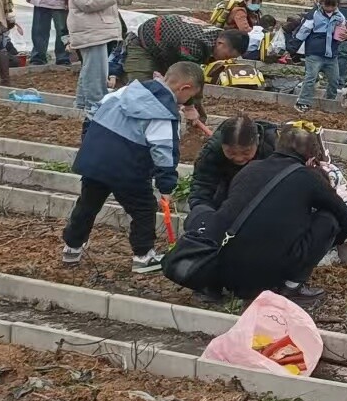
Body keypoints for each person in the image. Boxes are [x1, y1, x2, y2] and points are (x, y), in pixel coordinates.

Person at [180, 124, 347, 305]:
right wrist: (327, 243)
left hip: (225, 267)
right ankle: (292, 287)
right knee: (329, 219)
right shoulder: (309, 178)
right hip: (269, 274)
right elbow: (346, 220)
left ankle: (213, 286)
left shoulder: (249, 169)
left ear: (277, 146)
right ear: (311, 157)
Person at [60, 61, 205, 273]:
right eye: (190, 96)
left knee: (88, 204)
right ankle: (143, 255)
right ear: (184, 88)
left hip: (96, 160)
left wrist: (89, 142)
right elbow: (164, 151)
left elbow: (94, 112)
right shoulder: (163, 111)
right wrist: (166, 187)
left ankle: (72, 247)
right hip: (128, 167)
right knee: (143, 208)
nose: (187, 101)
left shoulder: (128, 90)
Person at [122, 15, 246, 126]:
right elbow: (187, 76)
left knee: (172, 90)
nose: (226, 59)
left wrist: (194, 109)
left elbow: (196, 79)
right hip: (144, 45)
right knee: (142, 91)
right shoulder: (196, 43)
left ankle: (197, 124)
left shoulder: (217, 36)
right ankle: (131, 128)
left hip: (166, 49)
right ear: (221, 43)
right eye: (227, 56)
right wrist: (189, 108)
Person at [64, 0, 126, 115]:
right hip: (91, 27)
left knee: (90, 67)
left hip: (96, 26)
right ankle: (95, 105)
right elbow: (84, 2)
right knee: (96, 71)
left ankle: (83, 105)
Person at [188, 114, 278, 211]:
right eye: (231, 153)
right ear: (222, 144)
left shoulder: (272, 149)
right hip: (224, 201)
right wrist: (202, 212)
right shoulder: (213, 150)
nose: (239, 158)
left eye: (246, 152)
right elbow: (202, 186)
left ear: (257, 141)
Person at [294, 0, 347, 111]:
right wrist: (294, 47)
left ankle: (329, 102)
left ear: (337, 5)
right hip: (314, 53)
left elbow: (343, 33)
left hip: (331, 55)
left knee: (334, 80)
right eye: (326, 6)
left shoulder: (340, 17)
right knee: (310, 78)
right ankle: (302, 102)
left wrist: (345, 36)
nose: (329, 9)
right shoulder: (314, 14)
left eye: (332, 6)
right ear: (321, 3)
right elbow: (303, 31)